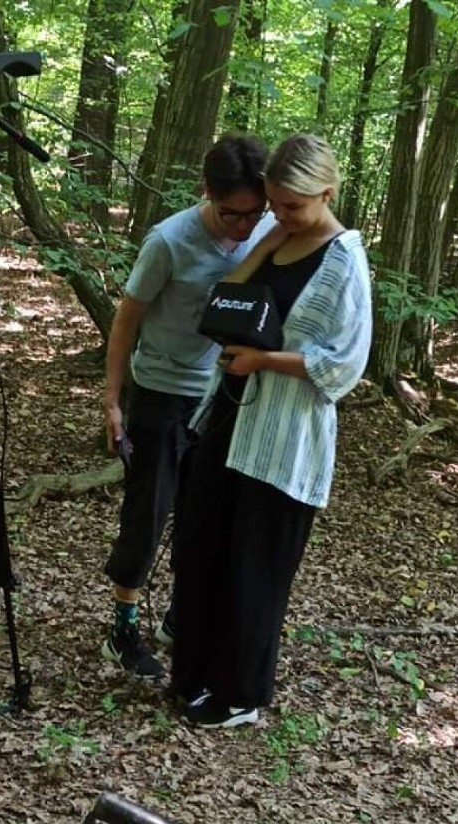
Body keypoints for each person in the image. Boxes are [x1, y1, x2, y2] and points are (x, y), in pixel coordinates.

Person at [171, 134, 373, 727]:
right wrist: (273, 241)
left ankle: (241, 695)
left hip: (286, 438)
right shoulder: (275, 239)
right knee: (205, 549)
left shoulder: (344, 260)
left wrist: (264, 361)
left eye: (293, 207)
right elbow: (226, 301)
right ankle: (197, 676)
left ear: (327, 194)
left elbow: (343, 365)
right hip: (230, 418)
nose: (279, 215)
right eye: (275, 203)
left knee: (255, 568)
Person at [101, 134, 277, 678]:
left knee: (207, 511)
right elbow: (126, 318)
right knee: (149, 509)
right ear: (207, 193)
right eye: (232, 214)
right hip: (159, 391)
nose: (243, 227)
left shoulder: (267, 233)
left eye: (255, 213)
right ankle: (122, 628)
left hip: (222, 393)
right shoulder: (170, 241)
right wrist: (112, 401)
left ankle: (180, 616)